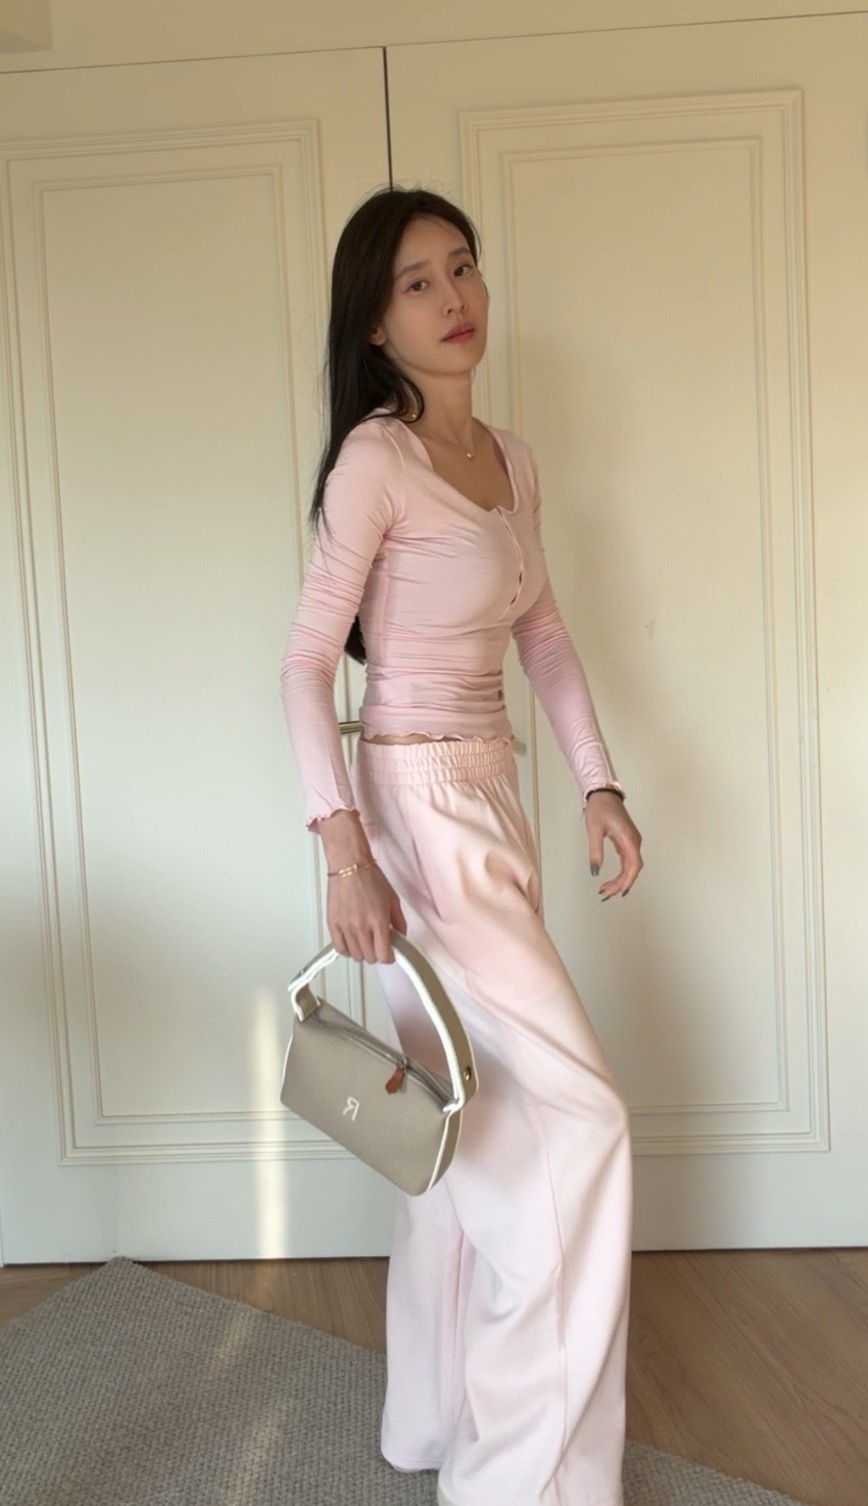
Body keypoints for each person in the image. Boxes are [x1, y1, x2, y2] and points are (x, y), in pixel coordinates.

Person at [281, 186, 643, 1506]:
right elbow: (305, 662)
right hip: (414, 811)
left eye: (464, 266)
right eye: (419, 282)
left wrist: (601, 784)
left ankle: (430, 1424)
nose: (455, 298)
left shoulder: (511, 458)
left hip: (493, 798)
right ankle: (525, 1479)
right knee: (581, 1122)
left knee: (457, 1116)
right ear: (376, 324)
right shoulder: (376, 460)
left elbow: (541, 635)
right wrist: (342, 847)